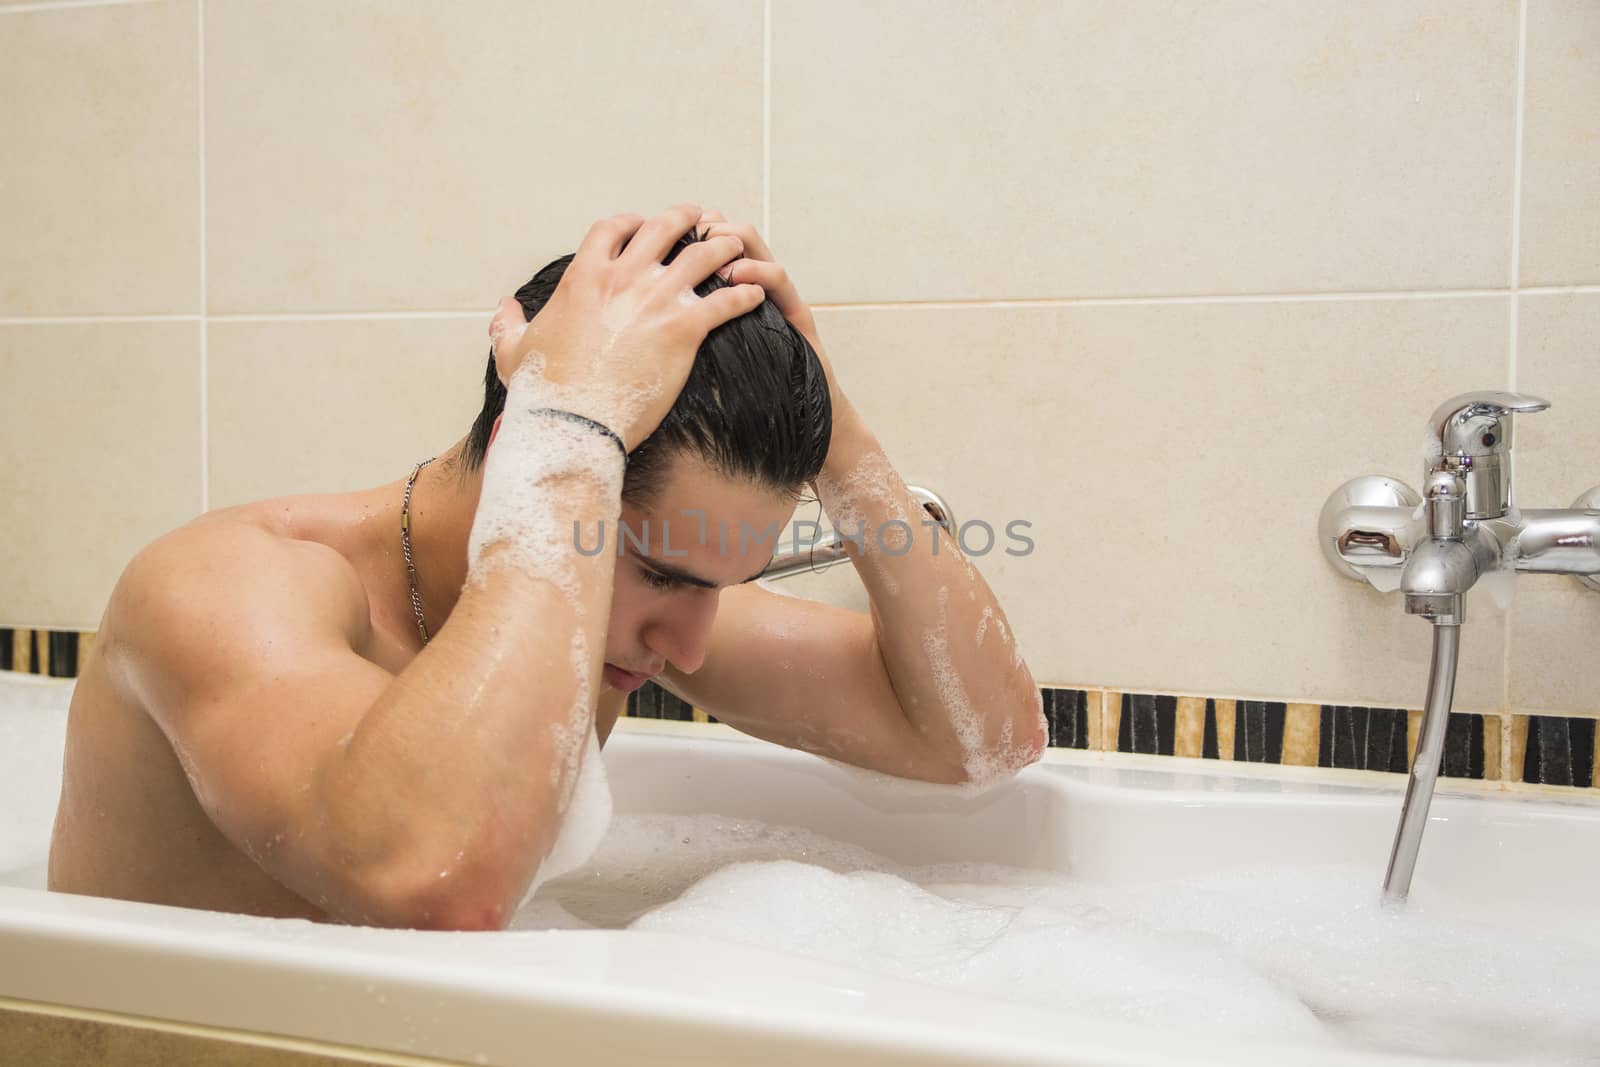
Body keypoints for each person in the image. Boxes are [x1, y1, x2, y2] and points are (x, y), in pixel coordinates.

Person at [48, 204, 1045, 930]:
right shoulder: (228, 587)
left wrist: (845, 447)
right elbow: (432, 882)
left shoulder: (608, 606)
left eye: (716, 585)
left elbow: (981, 741)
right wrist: (570, 422)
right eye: (661, 571)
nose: (688, 644)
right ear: (532, 456)